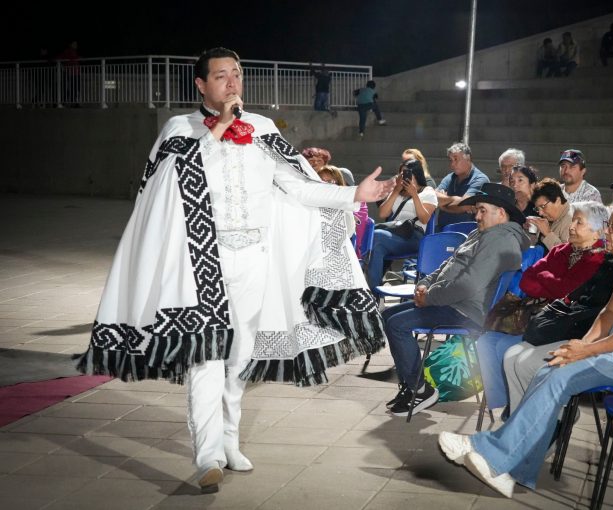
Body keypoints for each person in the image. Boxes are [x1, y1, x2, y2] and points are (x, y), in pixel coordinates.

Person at [74, 47, 393, 494]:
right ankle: (207, 453)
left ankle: (228, 438)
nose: (232, 82)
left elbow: (299, 188)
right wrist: (218, 129)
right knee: (207, 352)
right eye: (221, 76)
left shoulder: (263, 129)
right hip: (198, 263)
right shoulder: (179, 130)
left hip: (254, 259)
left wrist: (354, 196)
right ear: (201, 85)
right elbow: (161, 187)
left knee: (241, 353)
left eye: (237, 75)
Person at [437, 189, 613, 497]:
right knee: (552, 366)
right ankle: (513, 470)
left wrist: (587, 351)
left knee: (560, 374)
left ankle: (492, 455)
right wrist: (580, 344)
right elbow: (610, 311)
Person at [382, 183, 528, 417]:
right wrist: (424, 285)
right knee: (388, 315)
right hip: (452, 301)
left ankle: (419, 390)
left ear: (501, 213)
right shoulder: (482, 233)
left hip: (467, 311)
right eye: (476, 210)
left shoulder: (500, 240)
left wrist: (429, 298)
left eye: (482, 210)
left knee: (397, 324)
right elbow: (446, 267)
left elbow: (468, 284)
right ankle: (411, 387)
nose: (476, 215)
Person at [502, 201, 613, 414]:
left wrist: (583, 345)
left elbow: (600, 311)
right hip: (579, 330)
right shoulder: (610, 260)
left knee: (526, 363)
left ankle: (549, 422)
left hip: (595, 340)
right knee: (511, 355)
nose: (607, 231)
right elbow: (542, 284)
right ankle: (518, 421)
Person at [476, 201, 609, 414]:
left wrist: (546, 279)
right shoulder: (562, 250)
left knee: (504, 348)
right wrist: (552, 283)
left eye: (579, 222)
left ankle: (523, 410)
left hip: (561, 323)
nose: (571, 226)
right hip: (536, 314)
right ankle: (505, 403)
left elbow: (567, 289)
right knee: (485, 341)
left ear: (598, 231)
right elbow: (527, 280)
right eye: (573, 220)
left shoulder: (599, 259)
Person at [366, 158, 437, 288]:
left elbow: (424, 219)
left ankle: (369, 293)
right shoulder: (397, 192)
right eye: (401, 174)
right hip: (394, 233)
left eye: (406, 174)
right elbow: (383, 214)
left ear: (416, 174)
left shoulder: (428, 192)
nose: (403, 177)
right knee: (376, 247)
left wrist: (414, 195)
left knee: (377, 236)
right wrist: (396, 191)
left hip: (414, 236)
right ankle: (372, 294)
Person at [317, 165, 369, 258]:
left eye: (330, 182)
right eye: (321, 181)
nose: (325, 185)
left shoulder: (351, 204)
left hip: (339, 253)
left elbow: (346, 234)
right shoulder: (314, 203)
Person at [436, 142, 490, 229]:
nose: (452, 164)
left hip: (467, 233)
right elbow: (434, 197)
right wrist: (453, 199)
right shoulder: (449, 177)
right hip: (442, 229)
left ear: (468, 158)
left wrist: (443, 206)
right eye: (450, 160)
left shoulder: (480, 179)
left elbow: (464, 205)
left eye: (456, 159)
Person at [526, 177, 573, 251]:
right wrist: (535, 230)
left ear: (557, 201)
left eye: (543, 206)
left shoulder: (572, 219)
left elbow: (567, 256)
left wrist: (547, 233)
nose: (540, 213)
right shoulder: (554, 216)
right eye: (537, 209)